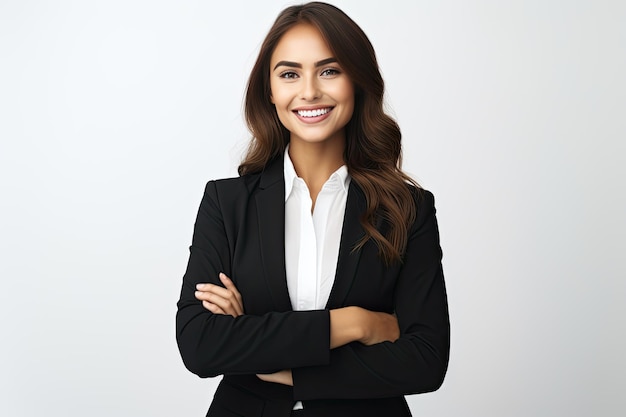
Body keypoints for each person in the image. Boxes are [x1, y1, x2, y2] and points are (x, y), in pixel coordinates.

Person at [176, 2, 449, 416]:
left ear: (356, 81)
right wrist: (356, 323)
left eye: (329, 70)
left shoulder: (408, 209)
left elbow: (426, 361)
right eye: (289, 74)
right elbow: (200, 344)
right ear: (270, 91)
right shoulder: (226, 203)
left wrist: (266, 352)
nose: (309, 92)